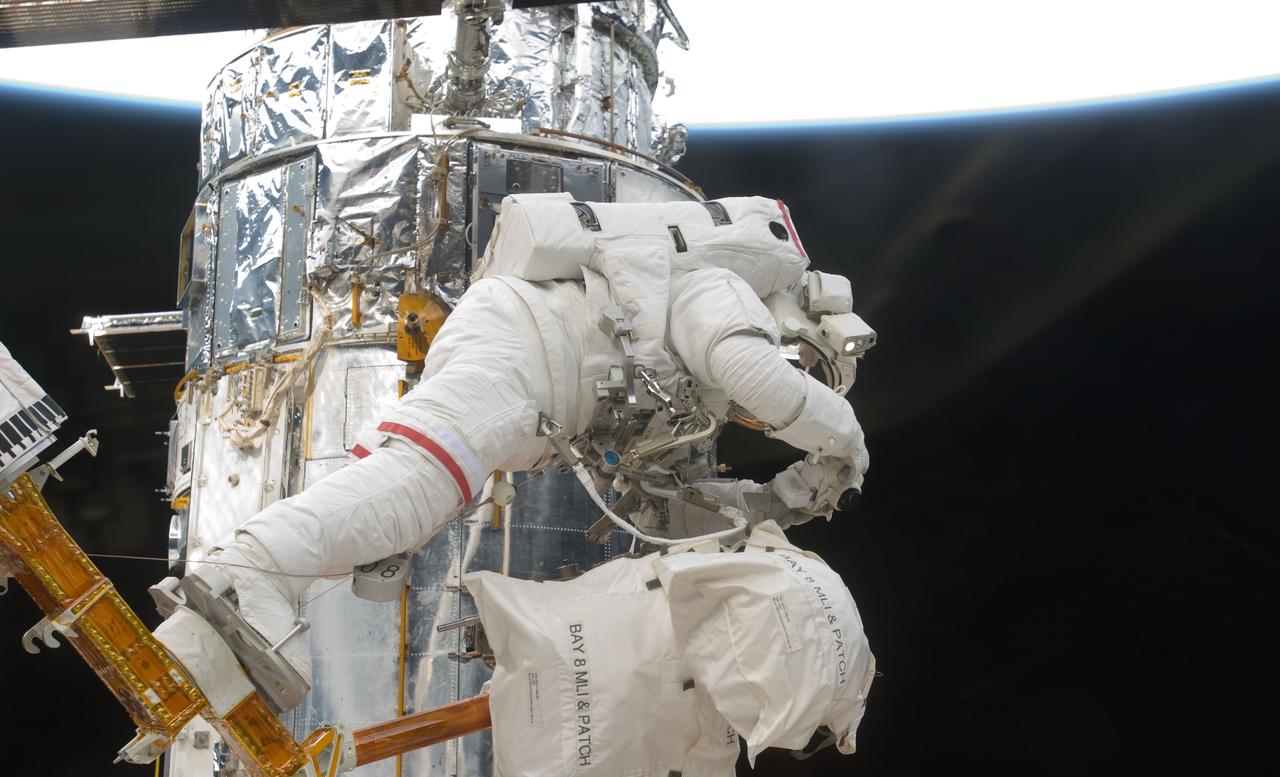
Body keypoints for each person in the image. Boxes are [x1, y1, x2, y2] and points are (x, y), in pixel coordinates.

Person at [152, 194, 873, 713]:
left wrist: (783, 501)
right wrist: (842, 436)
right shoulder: (721, 292)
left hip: (534, 385)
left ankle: (241, 607)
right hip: (522, 358)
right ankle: (247, 574)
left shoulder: (685, 396)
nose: (762, 407)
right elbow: (761, 379)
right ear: (797, 330)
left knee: (409, 513)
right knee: (411, 489)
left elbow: (680, 519)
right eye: (803, 369)